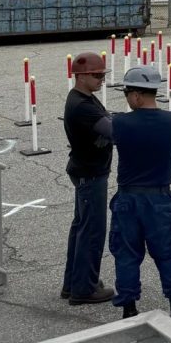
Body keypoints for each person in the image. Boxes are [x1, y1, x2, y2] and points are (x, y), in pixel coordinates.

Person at [104, 65, 171, 328]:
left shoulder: (120, 123)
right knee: (170, 251)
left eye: (127, 93)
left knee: (126, 254)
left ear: (136, 95)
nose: (127, 99)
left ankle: (128, 309)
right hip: (160, 198)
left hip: (128, 199)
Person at [61, 52, 115, 305]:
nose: (101, 79)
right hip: (90, 173)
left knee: (81, 228)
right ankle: (84, 288)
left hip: (86, 170)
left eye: (103, 75)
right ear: (80, 76)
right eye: (97, 75)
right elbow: (112, 130)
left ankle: (75, 282)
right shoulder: (82, 106)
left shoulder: (84, 98)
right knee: (91, 231)